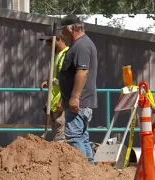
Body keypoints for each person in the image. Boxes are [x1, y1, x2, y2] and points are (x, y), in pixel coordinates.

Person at [57, 14, 98, 165]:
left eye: (64, 29)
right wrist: (65, 98)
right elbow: (70, 75)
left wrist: (74, 98)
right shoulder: (79, 45)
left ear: (72, 28)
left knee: (74, 137)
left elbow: (82, 72)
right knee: (82, 137)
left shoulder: (81, 46)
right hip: (78, 102)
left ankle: (81, 171)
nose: (62, 33)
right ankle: (89, 169)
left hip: (79, 103)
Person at [39, 32, 69, 142]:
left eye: (50, 41)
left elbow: (67, 81)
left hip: (60, 101)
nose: (47, 44)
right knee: (55, 133)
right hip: (54, 101)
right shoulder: (58, 55)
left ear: (59, 39)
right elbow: (58, 78)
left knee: (61, 136)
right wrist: (49, 82)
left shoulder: (66, 55)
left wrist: (62, 100)